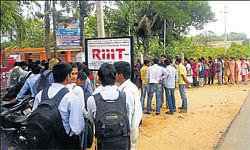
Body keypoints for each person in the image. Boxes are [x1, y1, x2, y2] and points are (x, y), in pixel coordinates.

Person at [32, 62, 84, 149]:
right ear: (68, 76)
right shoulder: (71, 97)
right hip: (65, 144)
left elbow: (34, 115)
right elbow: (76, 129)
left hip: (44, 142)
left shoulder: (40, 95)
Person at [87, 63, 131, 149]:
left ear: (99, 78)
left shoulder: (92, 99)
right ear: (115, 76)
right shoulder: (125, 96)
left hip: (103, 143)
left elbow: (93, 120)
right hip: (122, 142)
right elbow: (129, 116)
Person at [114, 61, 143, 150]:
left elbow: (129, 111)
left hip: (129, 129)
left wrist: (127, 130)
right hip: (131, 127)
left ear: (120, 75)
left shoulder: (127, 91)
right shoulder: (130, 87)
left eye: (114, 72)